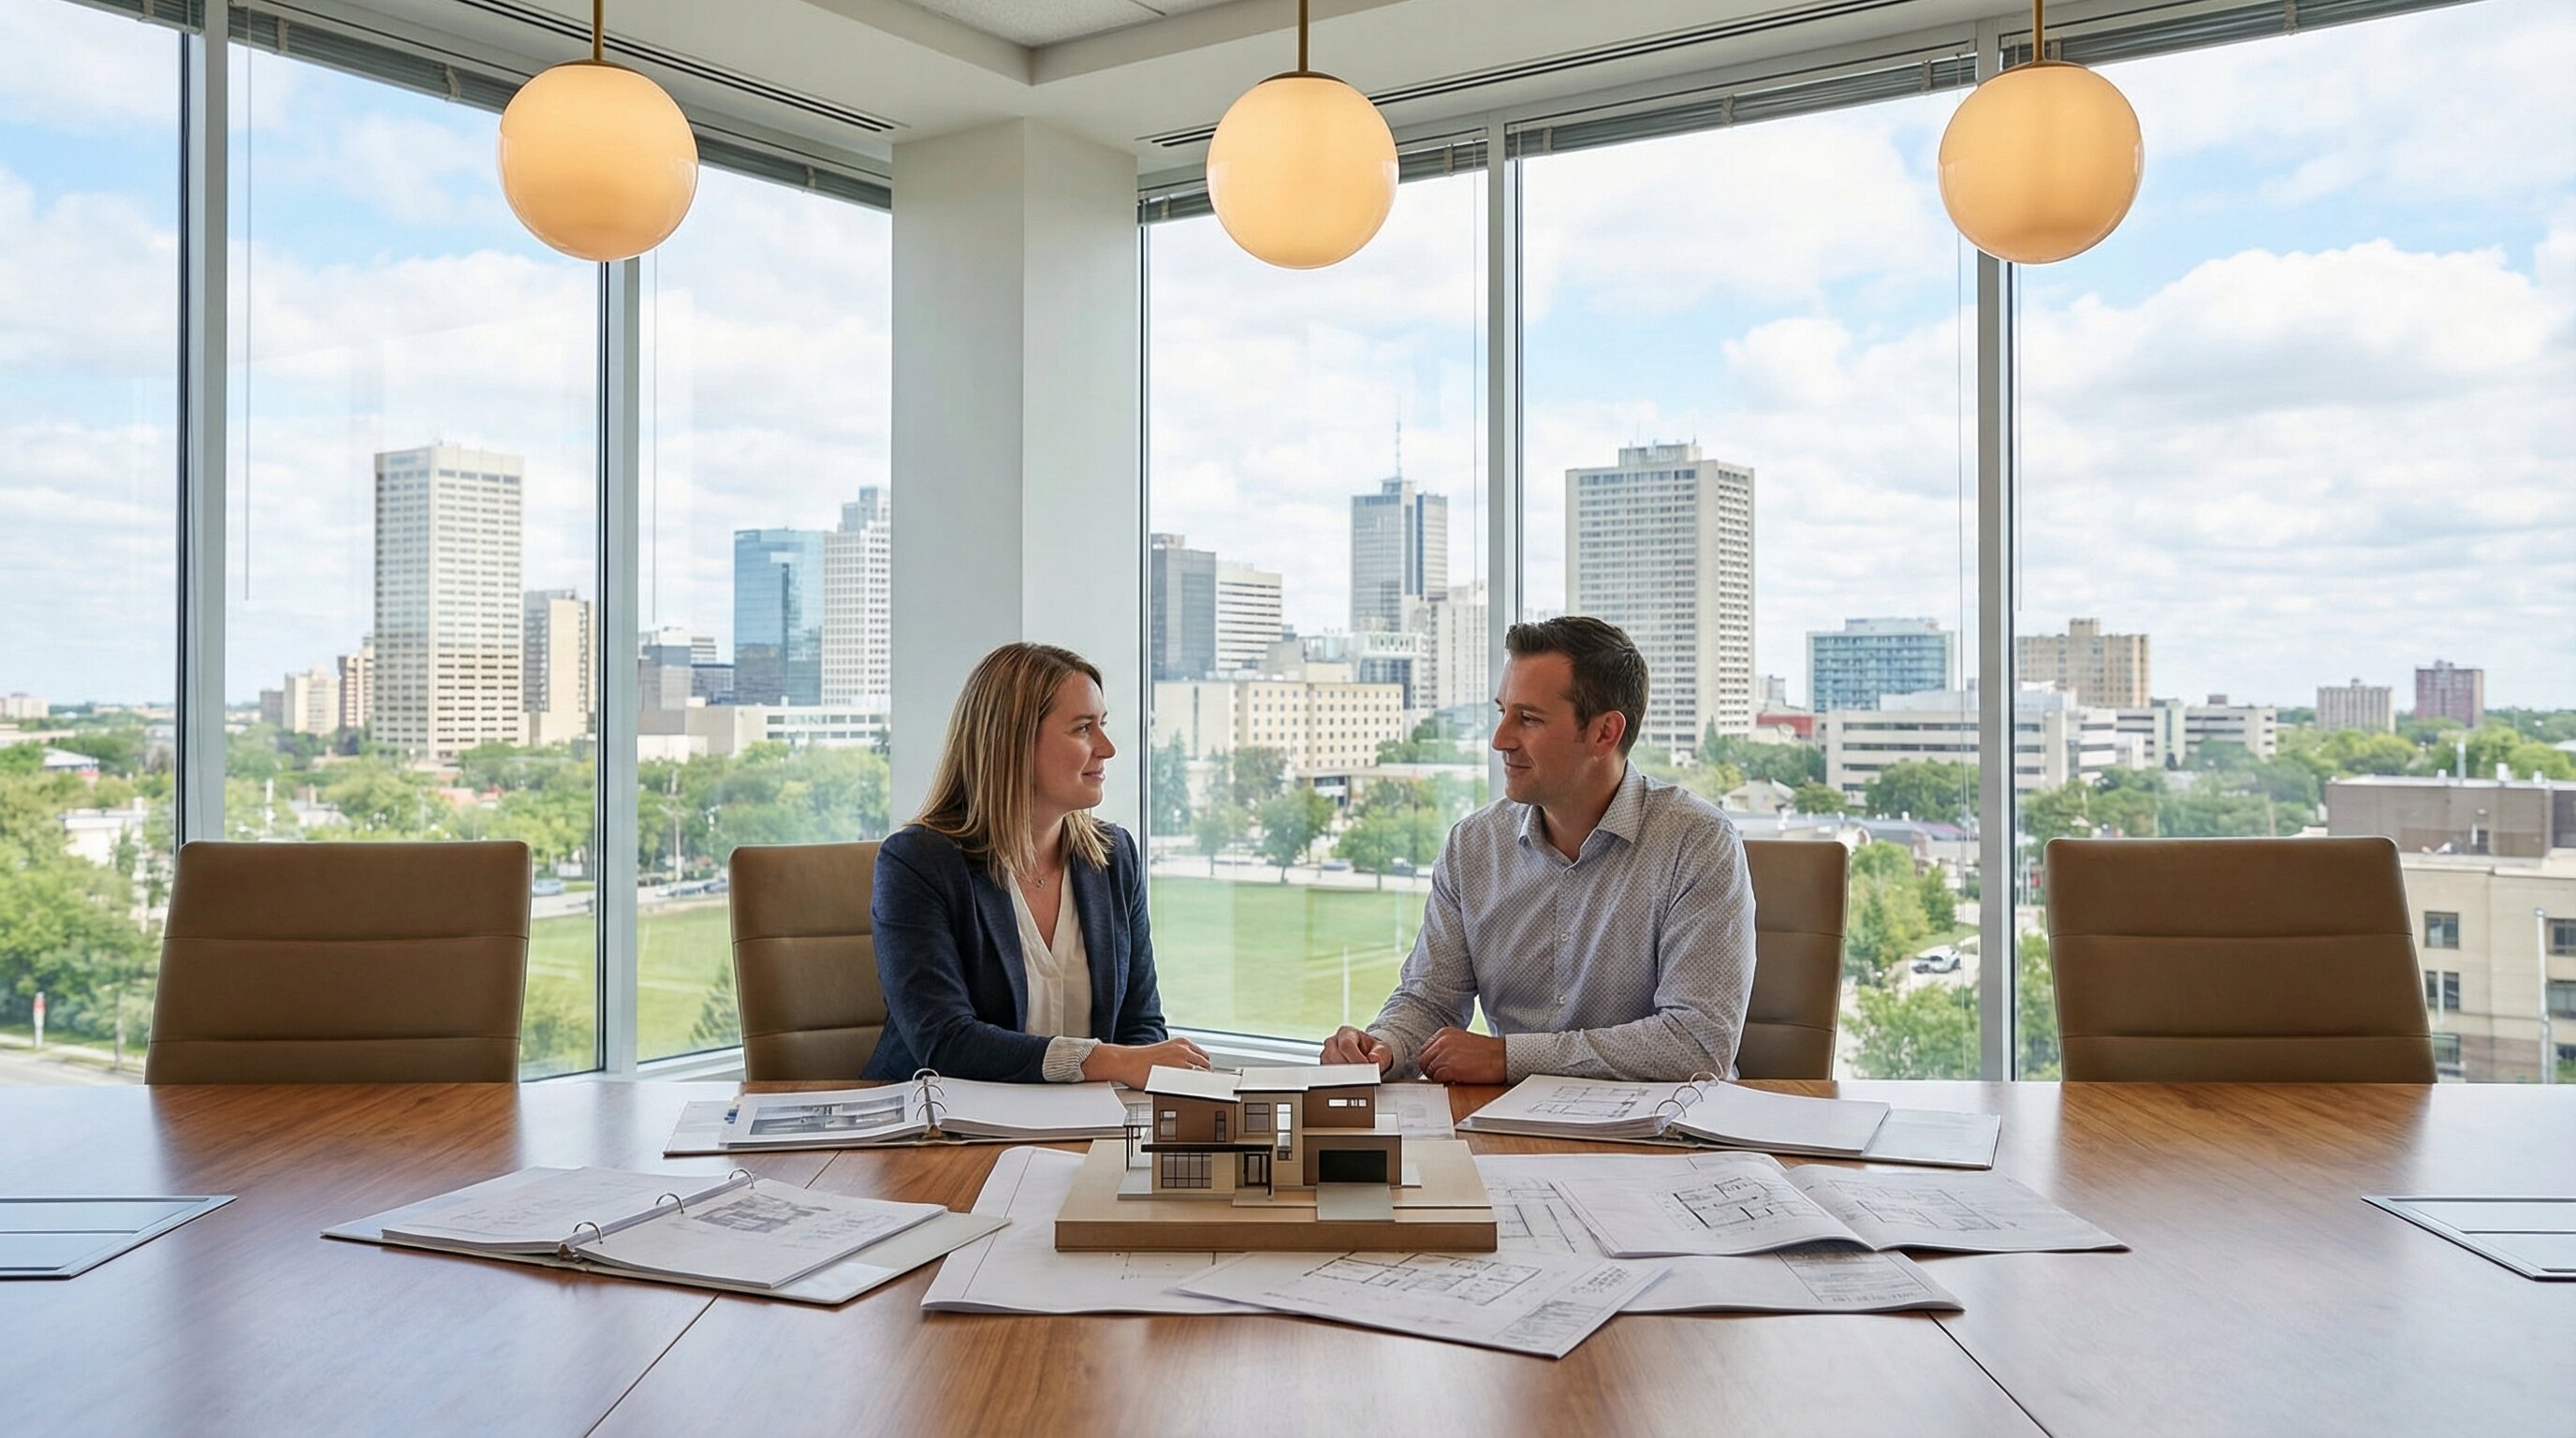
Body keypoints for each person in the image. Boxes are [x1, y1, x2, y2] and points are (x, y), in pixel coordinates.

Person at [1321, 616, 1755, 1084]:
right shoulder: (1472, 846)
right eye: (1502, 711)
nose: (1500, 740)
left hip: (1660, 1141)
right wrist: (1383, 1047)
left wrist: (1507, 1058)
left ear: (1605, 733)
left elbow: (1696, 1044)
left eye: (1527, 719)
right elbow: (1430, 1000)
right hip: (1506, 1131)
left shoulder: (1698, 843)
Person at [869, 642, 1210, 1085]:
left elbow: (1140, 1026)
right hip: (939, 1135)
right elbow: (945, 1042)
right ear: (1012, 741)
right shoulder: (916, 863)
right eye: (1083, 728)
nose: (1107, 748)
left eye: (1102, 725)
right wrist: (1111, 1062)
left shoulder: (1114, 857)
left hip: (1080, 1126)